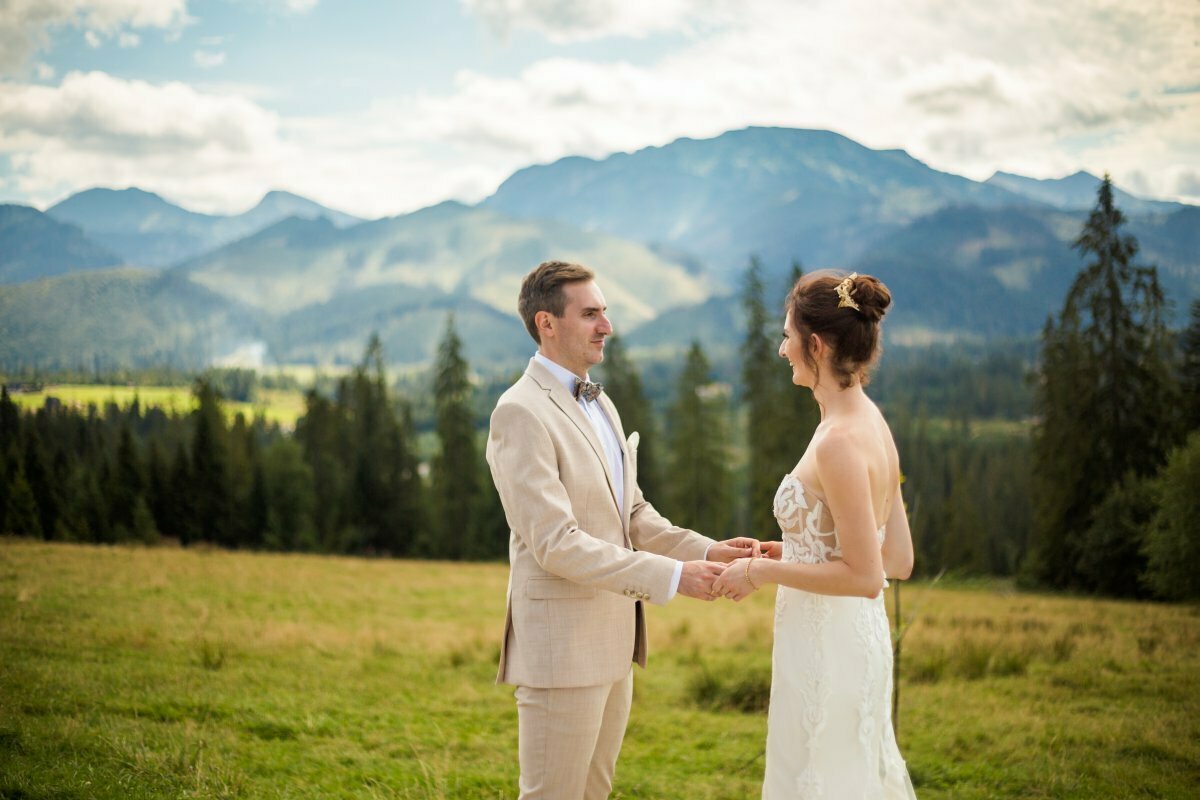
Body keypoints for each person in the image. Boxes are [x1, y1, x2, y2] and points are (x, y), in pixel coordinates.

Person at [486, 260, 762, 800]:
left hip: (613, 642)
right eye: (590, 314)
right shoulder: (518, 412)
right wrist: (674, 576)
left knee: (596, 792)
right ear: (547, 323)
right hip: (561, 649)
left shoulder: (601, 402)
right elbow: (556, 544)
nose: (606, 326)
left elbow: (631, 514)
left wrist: (709, 550)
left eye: (604, 313)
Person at [713, 270, 918, 799]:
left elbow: (870, 576)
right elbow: (897, 556)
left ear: (817, 345)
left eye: (787, 336)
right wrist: (799, 549)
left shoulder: (838, 443)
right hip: (851, 641)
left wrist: (760, 570)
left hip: (830, 654)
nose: (782, 349)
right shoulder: (871, 421)